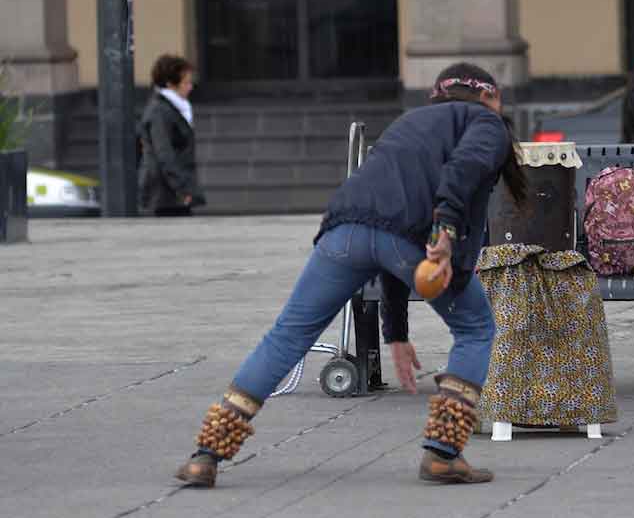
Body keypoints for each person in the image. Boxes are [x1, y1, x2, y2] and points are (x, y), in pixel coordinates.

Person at [173, 62, 527, 487]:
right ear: (490, 96)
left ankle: (205, 455)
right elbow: (463, 172)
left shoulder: (410, 121)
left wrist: (394, 332)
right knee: (475, 327)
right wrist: (446, 231)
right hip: (414, 238)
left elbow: (386, 239)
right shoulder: (487, 124)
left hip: (344, 232)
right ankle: (443, 453)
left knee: (285, 337)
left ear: (438, 95)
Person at [139, 55, 205, 216]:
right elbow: (165, 155)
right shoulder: (160, 112)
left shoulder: (174, 109)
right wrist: (183, 189)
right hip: (166, 193)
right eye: (186, 83)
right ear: (170, 85)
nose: (190, 87)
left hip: (172, 192)